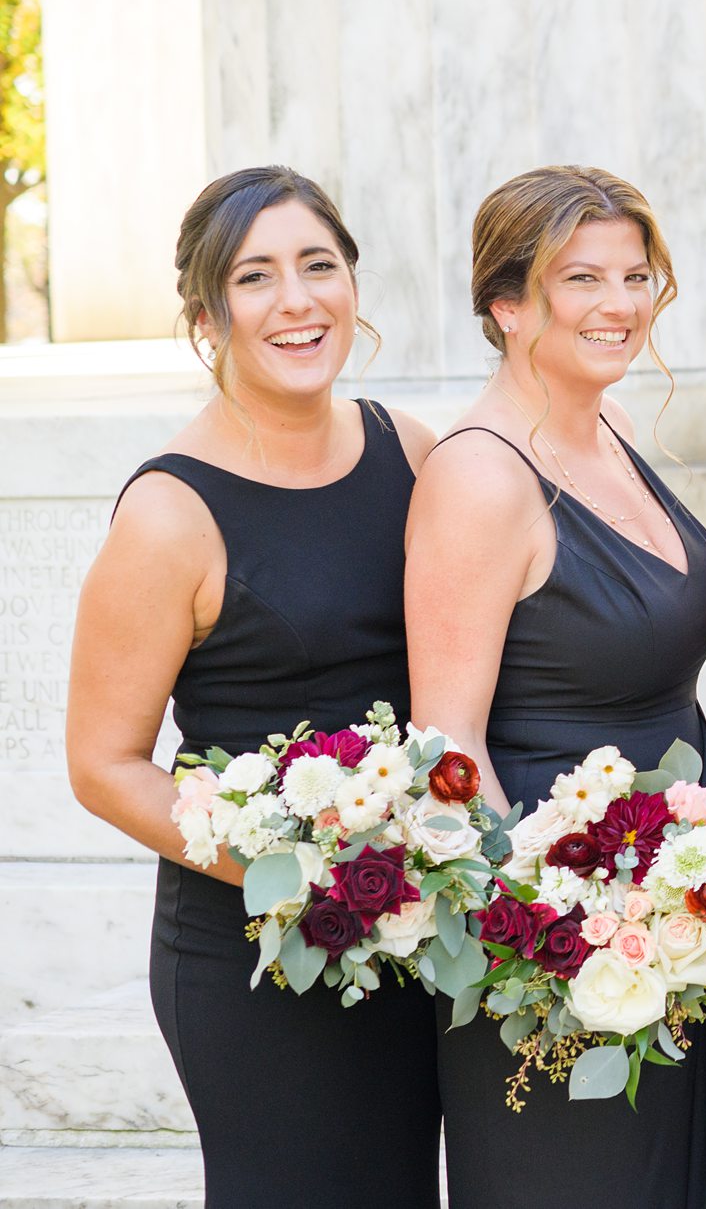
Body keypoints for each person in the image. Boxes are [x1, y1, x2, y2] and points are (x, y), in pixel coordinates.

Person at [66, 167, 442, 1208]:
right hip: (257, 947)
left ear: (355, 285)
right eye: (257, 276)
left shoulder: (411, 451)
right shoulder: (169, 513)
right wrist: (296, 870)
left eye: (320, 266)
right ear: (206, 314)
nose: (298, 300)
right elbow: (101, 765)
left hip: (417, 924)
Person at [407, 166, 706, 1209]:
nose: (622, 304)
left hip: (667, 914)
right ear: (506, 305)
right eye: (581, 278)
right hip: (555, 936)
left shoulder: (615, 426)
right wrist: (554, 940)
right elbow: (446, 744)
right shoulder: (482, 474)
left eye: (636, 275)